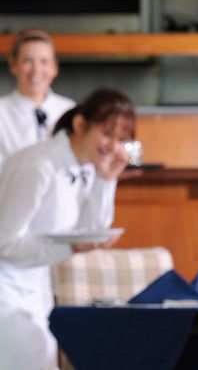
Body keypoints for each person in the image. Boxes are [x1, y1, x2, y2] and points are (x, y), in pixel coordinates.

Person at [0, 88, 134, 370]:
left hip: (34, 289)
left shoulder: (81, 166)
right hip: (7, 292)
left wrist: (106, 180)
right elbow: (4, 244)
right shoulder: (39, 166)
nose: (113, 147)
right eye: (107, 134)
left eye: (121, 139)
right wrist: (69, 247)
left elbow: (92, 230)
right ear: (80, 125)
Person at [0, 29, 75, 168]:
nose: (36, 69)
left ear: (55, 67)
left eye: (44, 61)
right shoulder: (2, 111)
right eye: (27, 61)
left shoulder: (70, 110)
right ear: (13, 65)